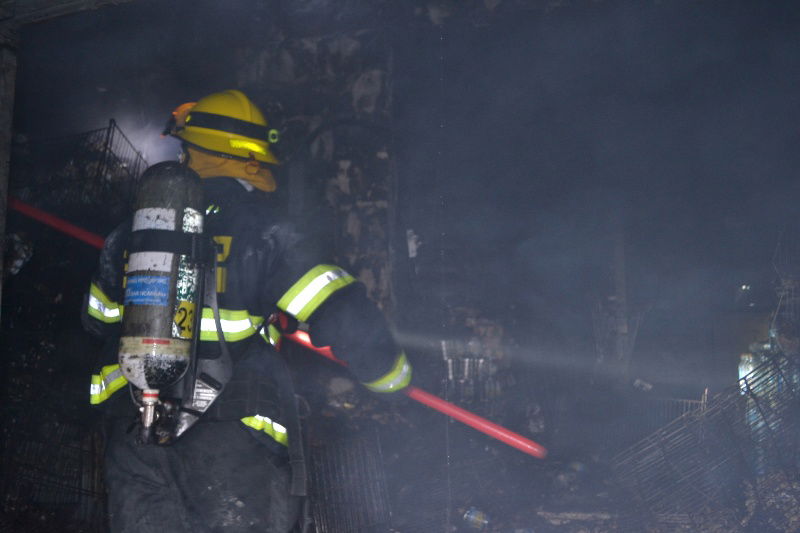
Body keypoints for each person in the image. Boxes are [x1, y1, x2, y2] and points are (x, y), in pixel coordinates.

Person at [83, 89, 412, 532]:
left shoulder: (133, 232)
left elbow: (97, 320)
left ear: (190, 151)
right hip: (227, 433)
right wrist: (392, 380)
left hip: (134, 430)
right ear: (251, 159)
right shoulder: (267, 232)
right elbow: (342, 313)